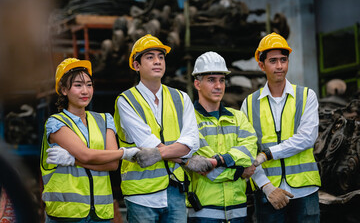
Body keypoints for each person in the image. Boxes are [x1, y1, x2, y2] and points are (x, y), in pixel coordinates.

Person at [114, 34, 209, 223]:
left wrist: (167, 153)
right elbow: (147, 144)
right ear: (136, 65)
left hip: (175, 191)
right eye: (150, 57)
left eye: (161, 57)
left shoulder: (181, 98)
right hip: (142, 195)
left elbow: (192, 142)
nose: (157, 61)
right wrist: (185, 160)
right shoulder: (126, 101)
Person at [40, 58, 140, 222]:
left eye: (89, 84)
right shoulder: (56, 123)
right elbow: (87, 155)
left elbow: (112, 164)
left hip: (100, 214)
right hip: (67, 213)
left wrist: (73, 160)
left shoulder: (105, 119)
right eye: (78, 85)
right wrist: (124, 153)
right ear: (64, 90)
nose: (85, 90)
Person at [241, 33, 321, 223]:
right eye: (273, 61)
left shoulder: (307, 96)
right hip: (269, 194)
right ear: (262, 65)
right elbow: (248, 151)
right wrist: (267, 187)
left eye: (283, 60)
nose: (279, 66)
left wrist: (267, 154)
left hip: (305, 191)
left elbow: (307, 138)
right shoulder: (249, 104)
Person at [187, 51, 258, 223]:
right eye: (211, 80)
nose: (218, 86)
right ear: (197, 83)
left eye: (222, 80)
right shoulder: (189, 120)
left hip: (239, 211)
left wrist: (219, 160)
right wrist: (240, 172)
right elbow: (207, 171)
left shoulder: (238, 117)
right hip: (204, 213)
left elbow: (249, 152)